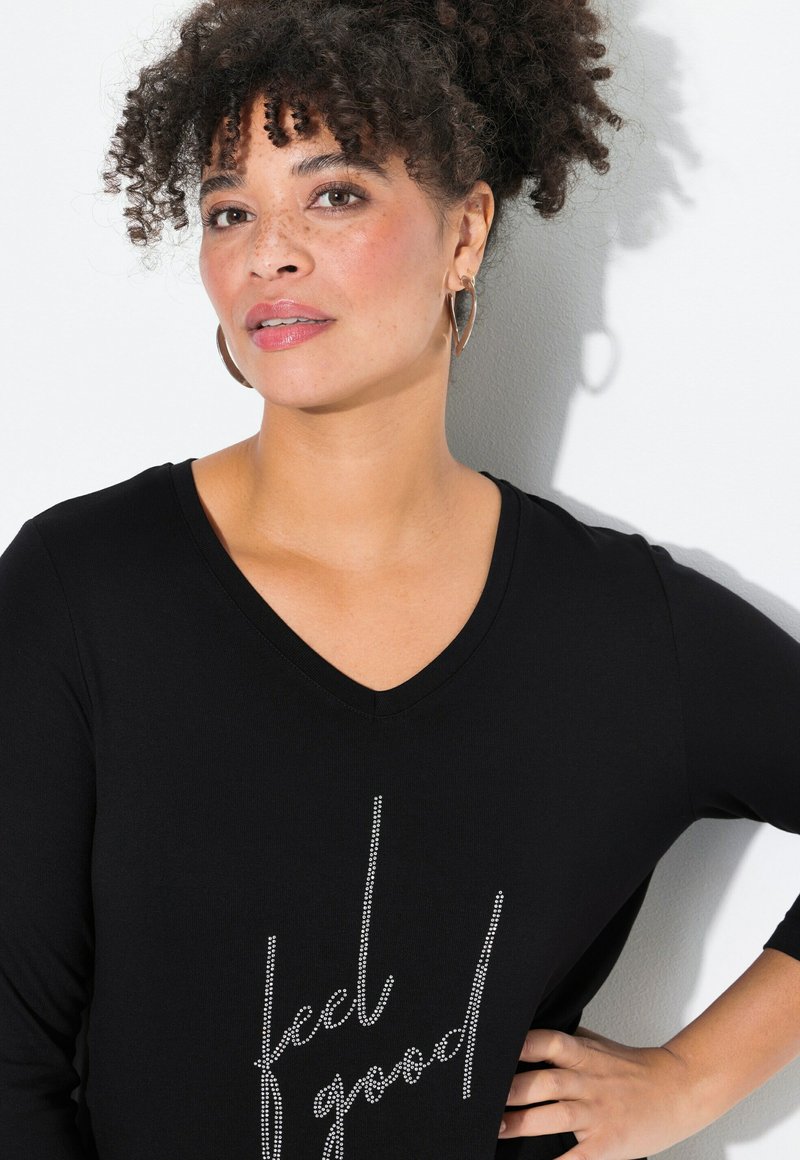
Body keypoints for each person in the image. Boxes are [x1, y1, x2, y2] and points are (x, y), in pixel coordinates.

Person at [1, 1, 798, 1158]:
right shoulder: (84, 589)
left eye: (333, 194)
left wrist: (684, 1081)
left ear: (463, 232)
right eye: (229, 210)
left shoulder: (622, 632)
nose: (268, 251)